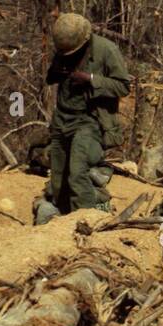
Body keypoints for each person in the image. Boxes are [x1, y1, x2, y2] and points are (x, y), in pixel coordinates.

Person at [41, 12, 130, 221]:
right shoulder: (65, 49)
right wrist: (57, 72)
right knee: (58, 177)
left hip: (90, 120)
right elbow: (50, 78)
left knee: (77, 171)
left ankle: (88, 220)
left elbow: (123, 86)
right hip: (63, 118)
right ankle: (64, 220)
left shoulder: (106, 50)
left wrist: (90, 79)